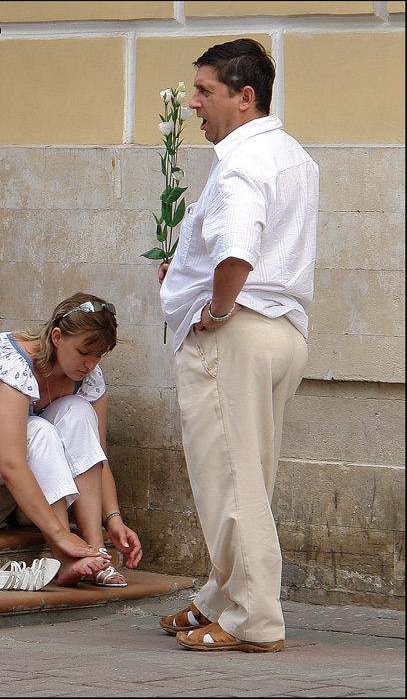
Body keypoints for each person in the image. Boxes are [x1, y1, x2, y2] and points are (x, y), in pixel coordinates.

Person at [157, 38, 319, 652]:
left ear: (244, 97)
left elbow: (240, 252)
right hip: (281, 333)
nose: (193, 104)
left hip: (239, 333)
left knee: (230, 483)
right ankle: (221, 601)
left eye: (205, 92)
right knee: (246, 479)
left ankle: (254, 621)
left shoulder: (241, 163)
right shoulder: (293, 156)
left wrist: (214, 309)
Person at [0, 292, 142, 587]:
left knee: (78, 412)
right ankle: (62, 558)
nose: (90, 364)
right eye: (83, 352)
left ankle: (96, 551)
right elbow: (11, 464)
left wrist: (113, 519)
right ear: (56, 337)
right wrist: (63, 536)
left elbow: (96, 455)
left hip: (9, 449)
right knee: (39, 431)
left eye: (98, 356)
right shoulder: (14, 362)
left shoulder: (87, 375)